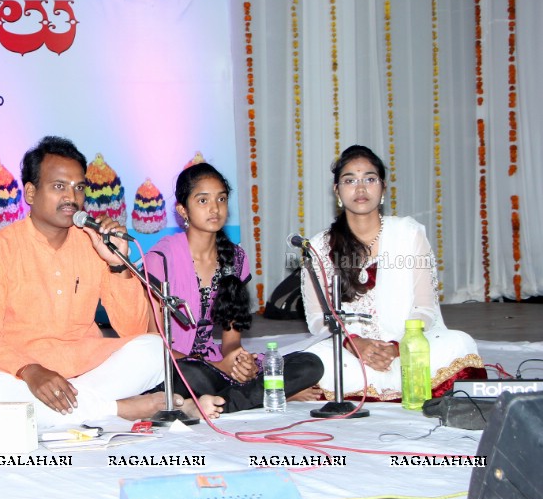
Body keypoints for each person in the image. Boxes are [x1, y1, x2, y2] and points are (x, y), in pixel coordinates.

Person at [0, 136, 221, 429]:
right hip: (20, 373)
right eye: (59, 186)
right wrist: (30, 371)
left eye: (79, 187)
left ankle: (74, 411)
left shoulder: (94, 242)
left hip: (87, 369)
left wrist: (116, 264)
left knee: (154, 350)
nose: (72, 197)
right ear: (31, 193)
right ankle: (120, 408)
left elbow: (134, 330)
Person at [300, 145, 485, 400]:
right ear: (337, 191)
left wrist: (397, 347)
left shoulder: (408, 234)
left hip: (406, 348)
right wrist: (355, 344)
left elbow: (425, 308)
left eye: (370, 179)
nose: (361, 188)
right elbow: (318, 319)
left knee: (458, 343)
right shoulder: (318, 246)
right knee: (313, 360)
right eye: (350, 180)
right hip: (348, 353)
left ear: (383, 188)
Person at [144, 162, 324, 412]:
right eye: (203, 201)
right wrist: (218, 367)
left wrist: (238, 360)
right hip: (176, 366)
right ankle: (263, 393)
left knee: (310, 364)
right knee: (190, 376)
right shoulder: (160, 259)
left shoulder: (235, 258)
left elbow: (231, 340)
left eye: (221, 199)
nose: (215, 208)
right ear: (182, 210)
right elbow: (154, 347)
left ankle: (220, 401)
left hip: (214, 362)